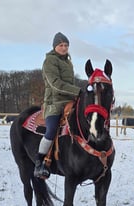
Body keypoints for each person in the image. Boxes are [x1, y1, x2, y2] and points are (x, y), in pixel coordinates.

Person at [34, 32, 81, 179]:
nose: (64, 47)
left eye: (66, 45)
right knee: (52, 129)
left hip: (69, 101)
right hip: (54, 103)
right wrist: (79, 91)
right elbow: (55, 84)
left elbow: (69, 84)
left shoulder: (67, 61)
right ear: (55, 47)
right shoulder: (50, 61)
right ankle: (39, 162)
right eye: (61, 45)